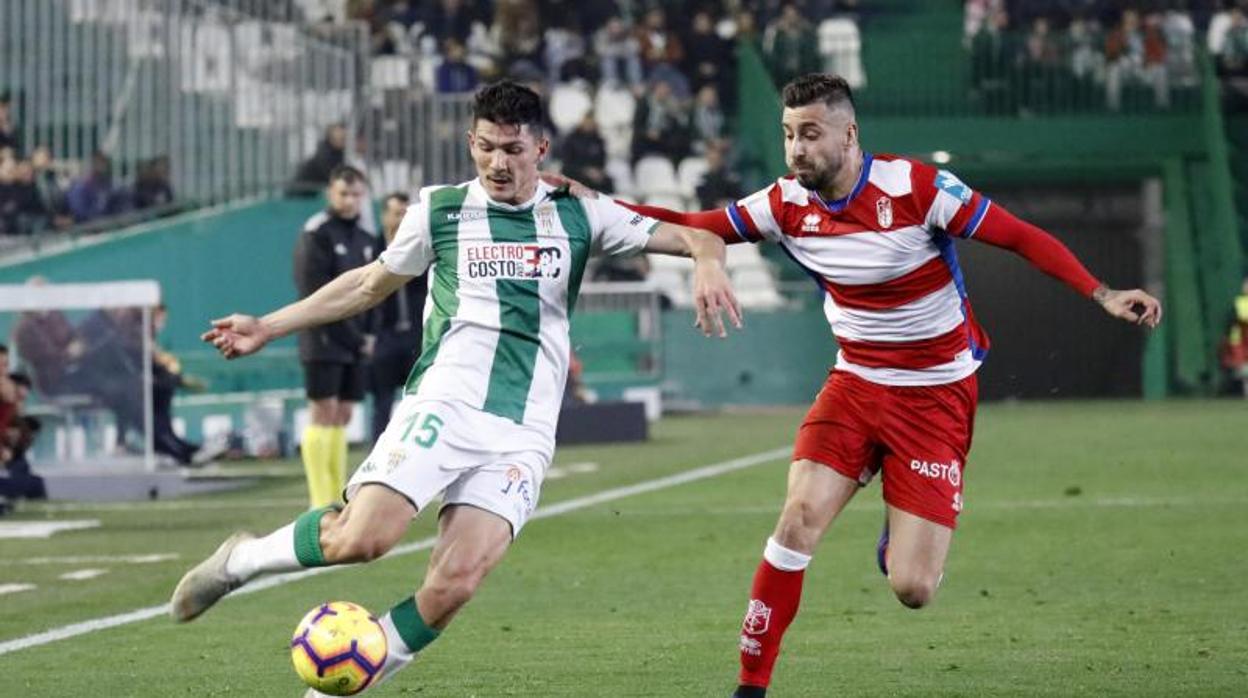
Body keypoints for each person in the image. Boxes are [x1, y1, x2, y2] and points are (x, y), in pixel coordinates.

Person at [560, 73, 1162, 697]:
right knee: (796, 521)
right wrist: (591, 201)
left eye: (811, 134)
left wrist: (1104, 292)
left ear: (850, 135)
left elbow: (1019, 236)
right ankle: (750, 686)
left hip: (935, 394)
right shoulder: (784, 204)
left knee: (913, 588)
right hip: (854, 382)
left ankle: (896, 519)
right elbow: (692, 222)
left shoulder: (916, 188)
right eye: (790, 134)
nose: (797, 149)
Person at [170, 81, 740, 697]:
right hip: (445, 402)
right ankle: (243, 561)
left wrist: (708, 260)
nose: (499, 163)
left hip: (523, 431)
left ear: (540, 148)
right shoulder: (439, 210)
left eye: (514, 150)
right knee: (361, 539)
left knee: (456, 582)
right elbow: (367, 285)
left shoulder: (581, 211)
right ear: (472, 142)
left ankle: (330, 689)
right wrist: (269, 325)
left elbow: (696, 232)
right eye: (488, 147)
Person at [293, 164, 378, 509]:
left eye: (356, 194)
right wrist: (353, 337)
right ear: (331, 192)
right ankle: (319, 499)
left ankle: (336, 494)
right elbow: (313, 293)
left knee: (343, 414)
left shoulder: (366, 238)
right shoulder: (317, 233)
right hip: (323, 338)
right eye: (343, 193)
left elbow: (373, 291)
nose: (350, 200)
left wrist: (368, 333)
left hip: (357, 339)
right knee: (322, 411)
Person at [366, 192, 427, 443]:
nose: (402, 219)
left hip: (415, 336)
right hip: (384, 338)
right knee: (382, 402)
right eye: (397, 213)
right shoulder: (370, 249)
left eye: (406, 213)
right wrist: (367, 335)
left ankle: (412, 451)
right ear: (384, 216)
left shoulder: (421, 246)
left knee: (418, 399)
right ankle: (376, 456)